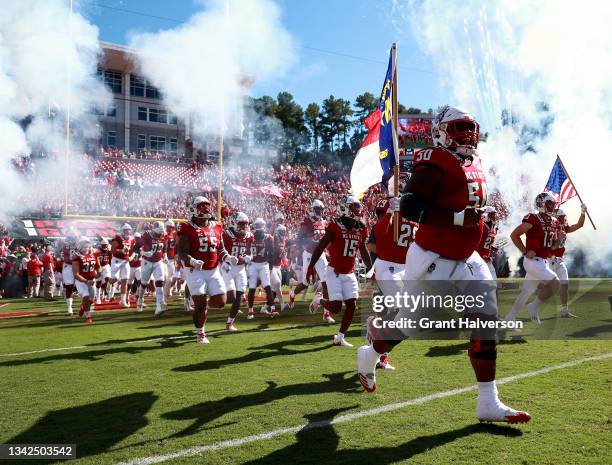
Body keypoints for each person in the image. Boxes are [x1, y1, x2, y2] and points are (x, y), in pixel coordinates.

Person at [358, 106, 531, 423]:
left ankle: (487, 401)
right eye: (458, 127)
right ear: (440, 132)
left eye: (470, 127)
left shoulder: (474, 162)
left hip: (466, 257)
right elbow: (410, 206)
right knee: (408, 327)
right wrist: (456, 217)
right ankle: (369, 352)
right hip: (433, 258)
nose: (467, 133)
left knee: (485, 321)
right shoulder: (433, 160)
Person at [307, 195, 372, 347]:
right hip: (334, 271)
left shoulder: (361, 227)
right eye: (354, 207)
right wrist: (311, 266)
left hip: (349, 272)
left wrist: (371, 269)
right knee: (336, 308)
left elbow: (363, 251)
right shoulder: (335, 225)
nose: (357, 210)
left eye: (358, 207)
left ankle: (340, 337)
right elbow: (321, 246)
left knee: (351, 305)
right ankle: (319, 299)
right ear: (345, 208)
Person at [177, 196, 237, 344]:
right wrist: (192, 260)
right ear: (193, 209)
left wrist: (228, 258)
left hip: (213, 269)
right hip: (194, 270)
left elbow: (220, 249)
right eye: (201, 206)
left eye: (207, 205)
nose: (206, 208)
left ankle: (201, 306)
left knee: (221, 302)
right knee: (201, 304)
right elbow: (182, 252)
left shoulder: (216, 226)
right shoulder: (188, 227)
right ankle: (200, 333)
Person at [369, 197, 417, 369]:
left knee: (405, 315)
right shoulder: (387, 220)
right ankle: (379, 347)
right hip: (388, 266)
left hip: (406, 268)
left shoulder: (413, 217)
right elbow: (378, 235)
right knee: (400, 311)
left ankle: (377, 333)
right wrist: (389, 212)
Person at [505, 192, 560, 324]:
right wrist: (524, 251)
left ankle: (510, 317)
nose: (552, 206)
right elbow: (514, 235)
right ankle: (534, 306)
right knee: (555, 283)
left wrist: (560, 240)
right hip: (532, 261)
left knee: (526, 292)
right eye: (549, 203)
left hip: (543, 262)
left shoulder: (554, 222)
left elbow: (552, 247)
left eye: (553, 204)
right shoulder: (533, 218)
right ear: (541, 204)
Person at [288, 199, 330, 321]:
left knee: (326, 281)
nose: (320, 212)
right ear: (312, 209)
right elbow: (299, 238)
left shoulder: (323, 221)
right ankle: (292, 294)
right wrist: (303, 246)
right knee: (306, 282)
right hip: (309, 254)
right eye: (317, 209)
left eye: (321, 209)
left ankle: (326, 313)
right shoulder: (306, 221)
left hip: (320, 254)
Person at [549, 205, 587, 317]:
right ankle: (532, 304)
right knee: (547, 288)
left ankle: (565, 311)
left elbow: (579, 225)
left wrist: (583, 212)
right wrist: (559, 239)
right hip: (548, 260)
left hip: (559, 261)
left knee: (564, 285)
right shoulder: (550, 230)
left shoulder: (563, 228)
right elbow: (551, 248)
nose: (564, 220)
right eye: (561, 218)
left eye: (563, 218)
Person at [221, 211, 253, 330]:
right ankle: (212, 300)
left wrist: (249, 257)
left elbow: (250, 252)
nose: (244, 226)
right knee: (231, 297)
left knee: (239, 296)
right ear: (234, 223)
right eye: (241, 224)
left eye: (245, 224)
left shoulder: (249, 236)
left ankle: (229, 322)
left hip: (240, 269)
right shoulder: (226, 235)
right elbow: (218, 251)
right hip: (228, 267)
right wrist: (224, 261)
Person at [246, 218, 277, 318]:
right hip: (253, 264)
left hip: (264, 264)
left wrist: (271, 267)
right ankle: (250, 311)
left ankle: (272, 309)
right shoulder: (250, 237)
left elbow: (271, 253)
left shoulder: (268, 238)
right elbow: (247, 251)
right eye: (257, 225)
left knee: (267, 286)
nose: (258, 227)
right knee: (252, 288)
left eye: (260, 225)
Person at [137, 221, 168, 316]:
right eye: (158, 232)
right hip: (147, 261)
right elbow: (135, 248)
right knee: (144, 283)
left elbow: (164, 247)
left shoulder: (164, 235)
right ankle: (140, 299)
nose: (160, 234)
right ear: (153, 230)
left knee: (160, 282)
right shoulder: (146, 235)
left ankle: (159, 306)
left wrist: (165, 256)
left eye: (161, 232)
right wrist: (144, 253)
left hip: (158, 261)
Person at [72, 237, 100, 324]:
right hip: (81, 281)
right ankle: (88, 317)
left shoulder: (94, 253)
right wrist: (86, 281)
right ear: (79, 247)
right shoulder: (76, 257)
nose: (86, 249)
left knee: (91, 300)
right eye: (83, 247)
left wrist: (98, 273)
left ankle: (83, 307)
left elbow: (98, 266)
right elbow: (76, 274)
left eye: (87, 246)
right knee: (86, 296)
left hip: (91, 280)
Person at [110, 223, 135, 307]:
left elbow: (134, 251)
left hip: (125, 261)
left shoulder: (131, 239)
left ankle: (123, 301)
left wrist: (131, 257)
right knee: (115, 278)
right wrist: (121, 251)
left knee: (125, 280)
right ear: (122, 231)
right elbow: (113, 251)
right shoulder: (117, 238)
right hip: (116, 260)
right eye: (126, 230)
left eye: (129, 230)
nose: (127, 232)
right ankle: (107, 283)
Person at [94, 239, 112, 304]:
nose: (105, 246)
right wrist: (97, 268)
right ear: (101, 245)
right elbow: (96, 260)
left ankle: (108, 292)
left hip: (106, 265)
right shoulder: (97, 251)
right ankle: (98, 297)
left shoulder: (109, 250)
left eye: (106, 245)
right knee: (98, 282)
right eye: (103, 245)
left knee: (108, 278)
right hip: (99, 267)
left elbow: (111, 259)